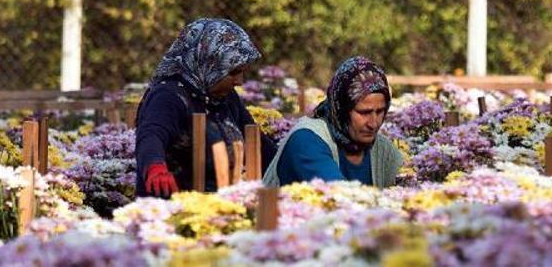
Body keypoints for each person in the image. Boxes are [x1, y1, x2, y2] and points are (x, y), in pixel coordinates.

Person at [136, 18, 275, 197]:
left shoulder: (225, 97)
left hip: (223, 203)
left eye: (242, 72)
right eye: (232, 72)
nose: (239, 81)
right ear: (208, 62)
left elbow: (259, 145)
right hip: (177, 207)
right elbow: (152, 134)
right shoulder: (169, 95)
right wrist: (155, 166)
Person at [263, 56, 403, 188]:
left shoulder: (385, 151)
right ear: (341, 109)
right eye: (364, 112)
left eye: (380, 112)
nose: (373, 123)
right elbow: (340, 198)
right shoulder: (306, 141)